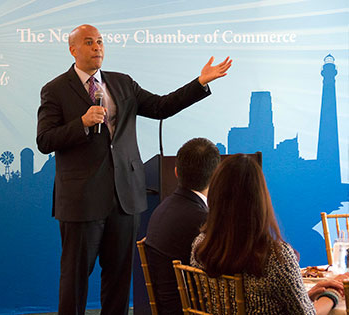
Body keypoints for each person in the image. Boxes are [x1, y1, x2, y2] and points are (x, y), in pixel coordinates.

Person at [36, 24, 232, 315]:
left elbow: (161, 106)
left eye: (100, 42)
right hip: (82, 201)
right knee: (75, 280)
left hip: (124, 199)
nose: (97, 47)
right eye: (89, 42)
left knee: (118, 278)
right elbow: (44, 140)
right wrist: (82, 123)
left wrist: (199, 83)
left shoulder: (122, 83)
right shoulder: (55, 89)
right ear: (73, 49)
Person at [191, 154, 347, 314]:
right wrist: (331, 296)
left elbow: (246, 303)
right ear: (260, 199)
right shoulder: (276, 256)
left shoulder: (200, 246)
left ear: (215, 196)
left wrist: (306, 295)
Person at [145, 137, 220, 314]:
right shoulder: (203, 221)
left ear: (177, 172)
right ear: (216, 176)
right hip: (193, 310)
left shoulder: (161, 209)